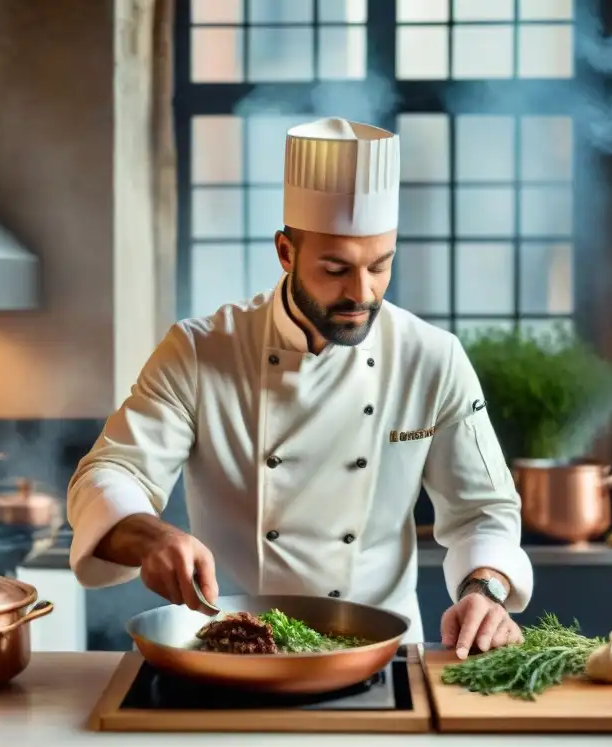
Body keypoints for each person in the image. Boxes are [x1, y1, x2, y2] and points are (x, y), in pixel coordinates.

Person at [68, 117, 532, 658]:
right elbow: (109, 472)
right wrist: (154, 537)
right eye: (336, 268)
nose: (362, 293)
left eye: (380, 267)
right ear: (286, 253)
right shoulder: (199, 351)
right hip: (233, 651)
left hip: (381, 653)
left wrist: (485, 591)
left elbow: (484, 510)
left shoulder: (431, 357)